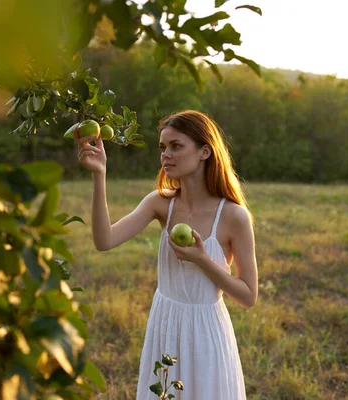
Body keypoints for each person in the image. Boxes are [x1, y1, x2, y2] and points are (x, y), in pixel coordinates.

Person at [75, 110, 258, 400]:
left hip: (206, 331)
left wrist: (201, 259)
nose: (166, 155)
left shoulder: (234, 216)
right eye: (163, 147)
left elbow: (248, 296)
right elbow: (104, 241)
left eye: (176, 146)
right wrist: (100, 175)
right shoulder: (160, 204)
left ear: (204, 151)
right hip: (165, 323)